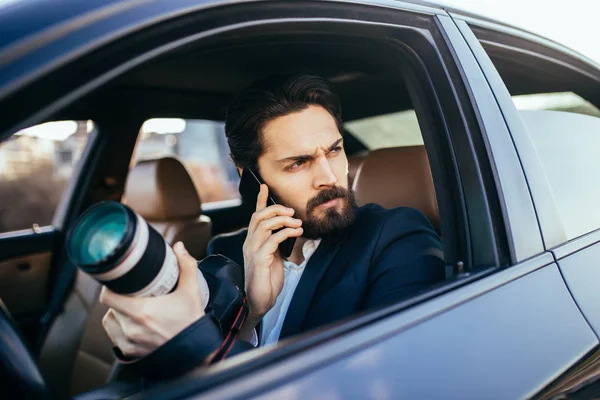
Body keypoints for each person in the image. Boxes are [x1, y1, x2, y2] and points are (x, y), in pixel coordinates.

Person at [99, 74, 446, 379]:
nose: (329, 177)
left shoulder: (396, 238)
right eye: (298, 163)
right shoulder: (227, 251)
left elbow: (387, 381)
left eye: (335, 150)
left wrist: (200, 346)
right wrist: (251, 311)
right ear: (248, 176)